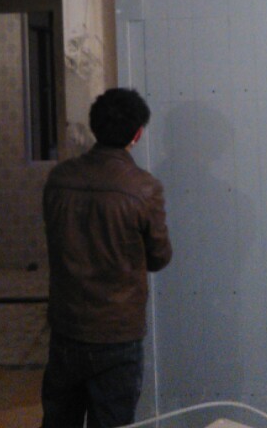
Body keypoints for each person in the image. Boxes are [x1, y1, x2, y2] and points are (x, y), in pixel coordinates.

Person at [41, 88, 172, 428]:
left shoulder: (59, 179)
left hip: (66, 324)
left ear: (95, 126)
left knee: (59, 420)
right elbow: (159, 258)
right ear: (137, 134)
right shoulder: (144, 188)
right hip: (117, 332)